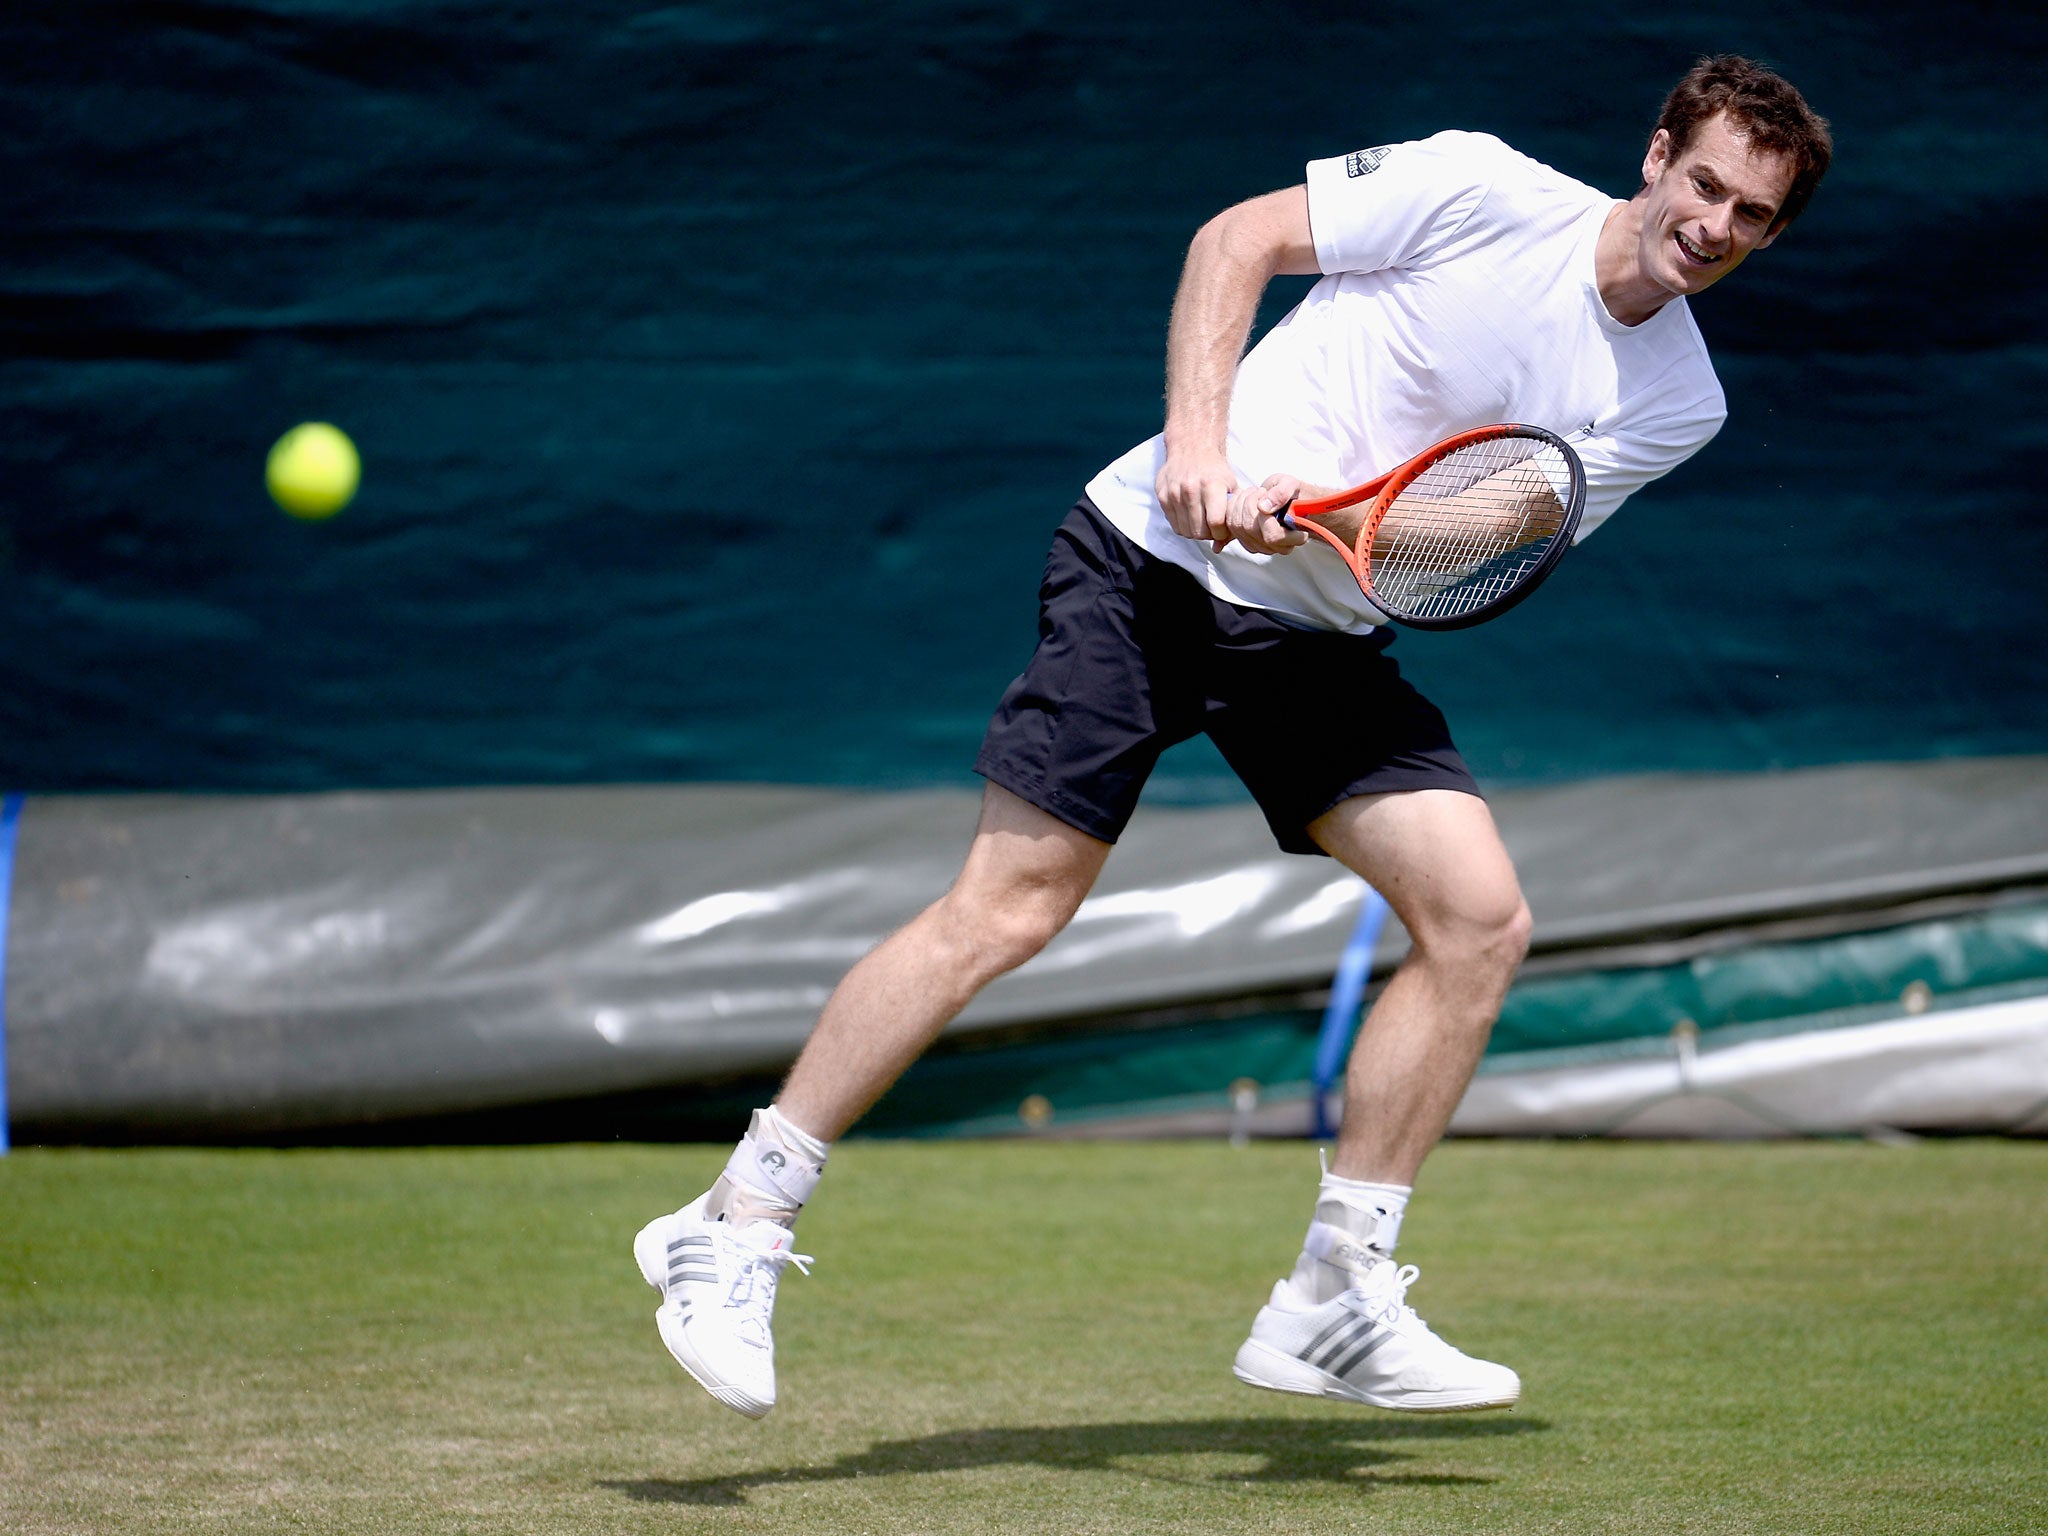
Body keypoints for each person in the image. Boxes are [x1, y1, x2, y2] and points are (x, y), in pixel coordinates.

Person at [633, 55, 1832, 1420]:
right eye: (1707, 186)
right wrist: (1203, 448)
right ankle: (732, 1221)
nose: (1717, 228)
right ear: (1657, 151)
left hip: (1312, 638)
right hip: (1146, 562)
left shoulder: (1679, 401)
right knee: (1010, 908)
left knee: (1480, 920)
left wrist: (1315, 509)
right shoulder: (1484, 189)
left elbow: (1471, 532)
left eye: (1754, 216)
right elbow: (1236, 240)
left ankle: (1334, 1297)